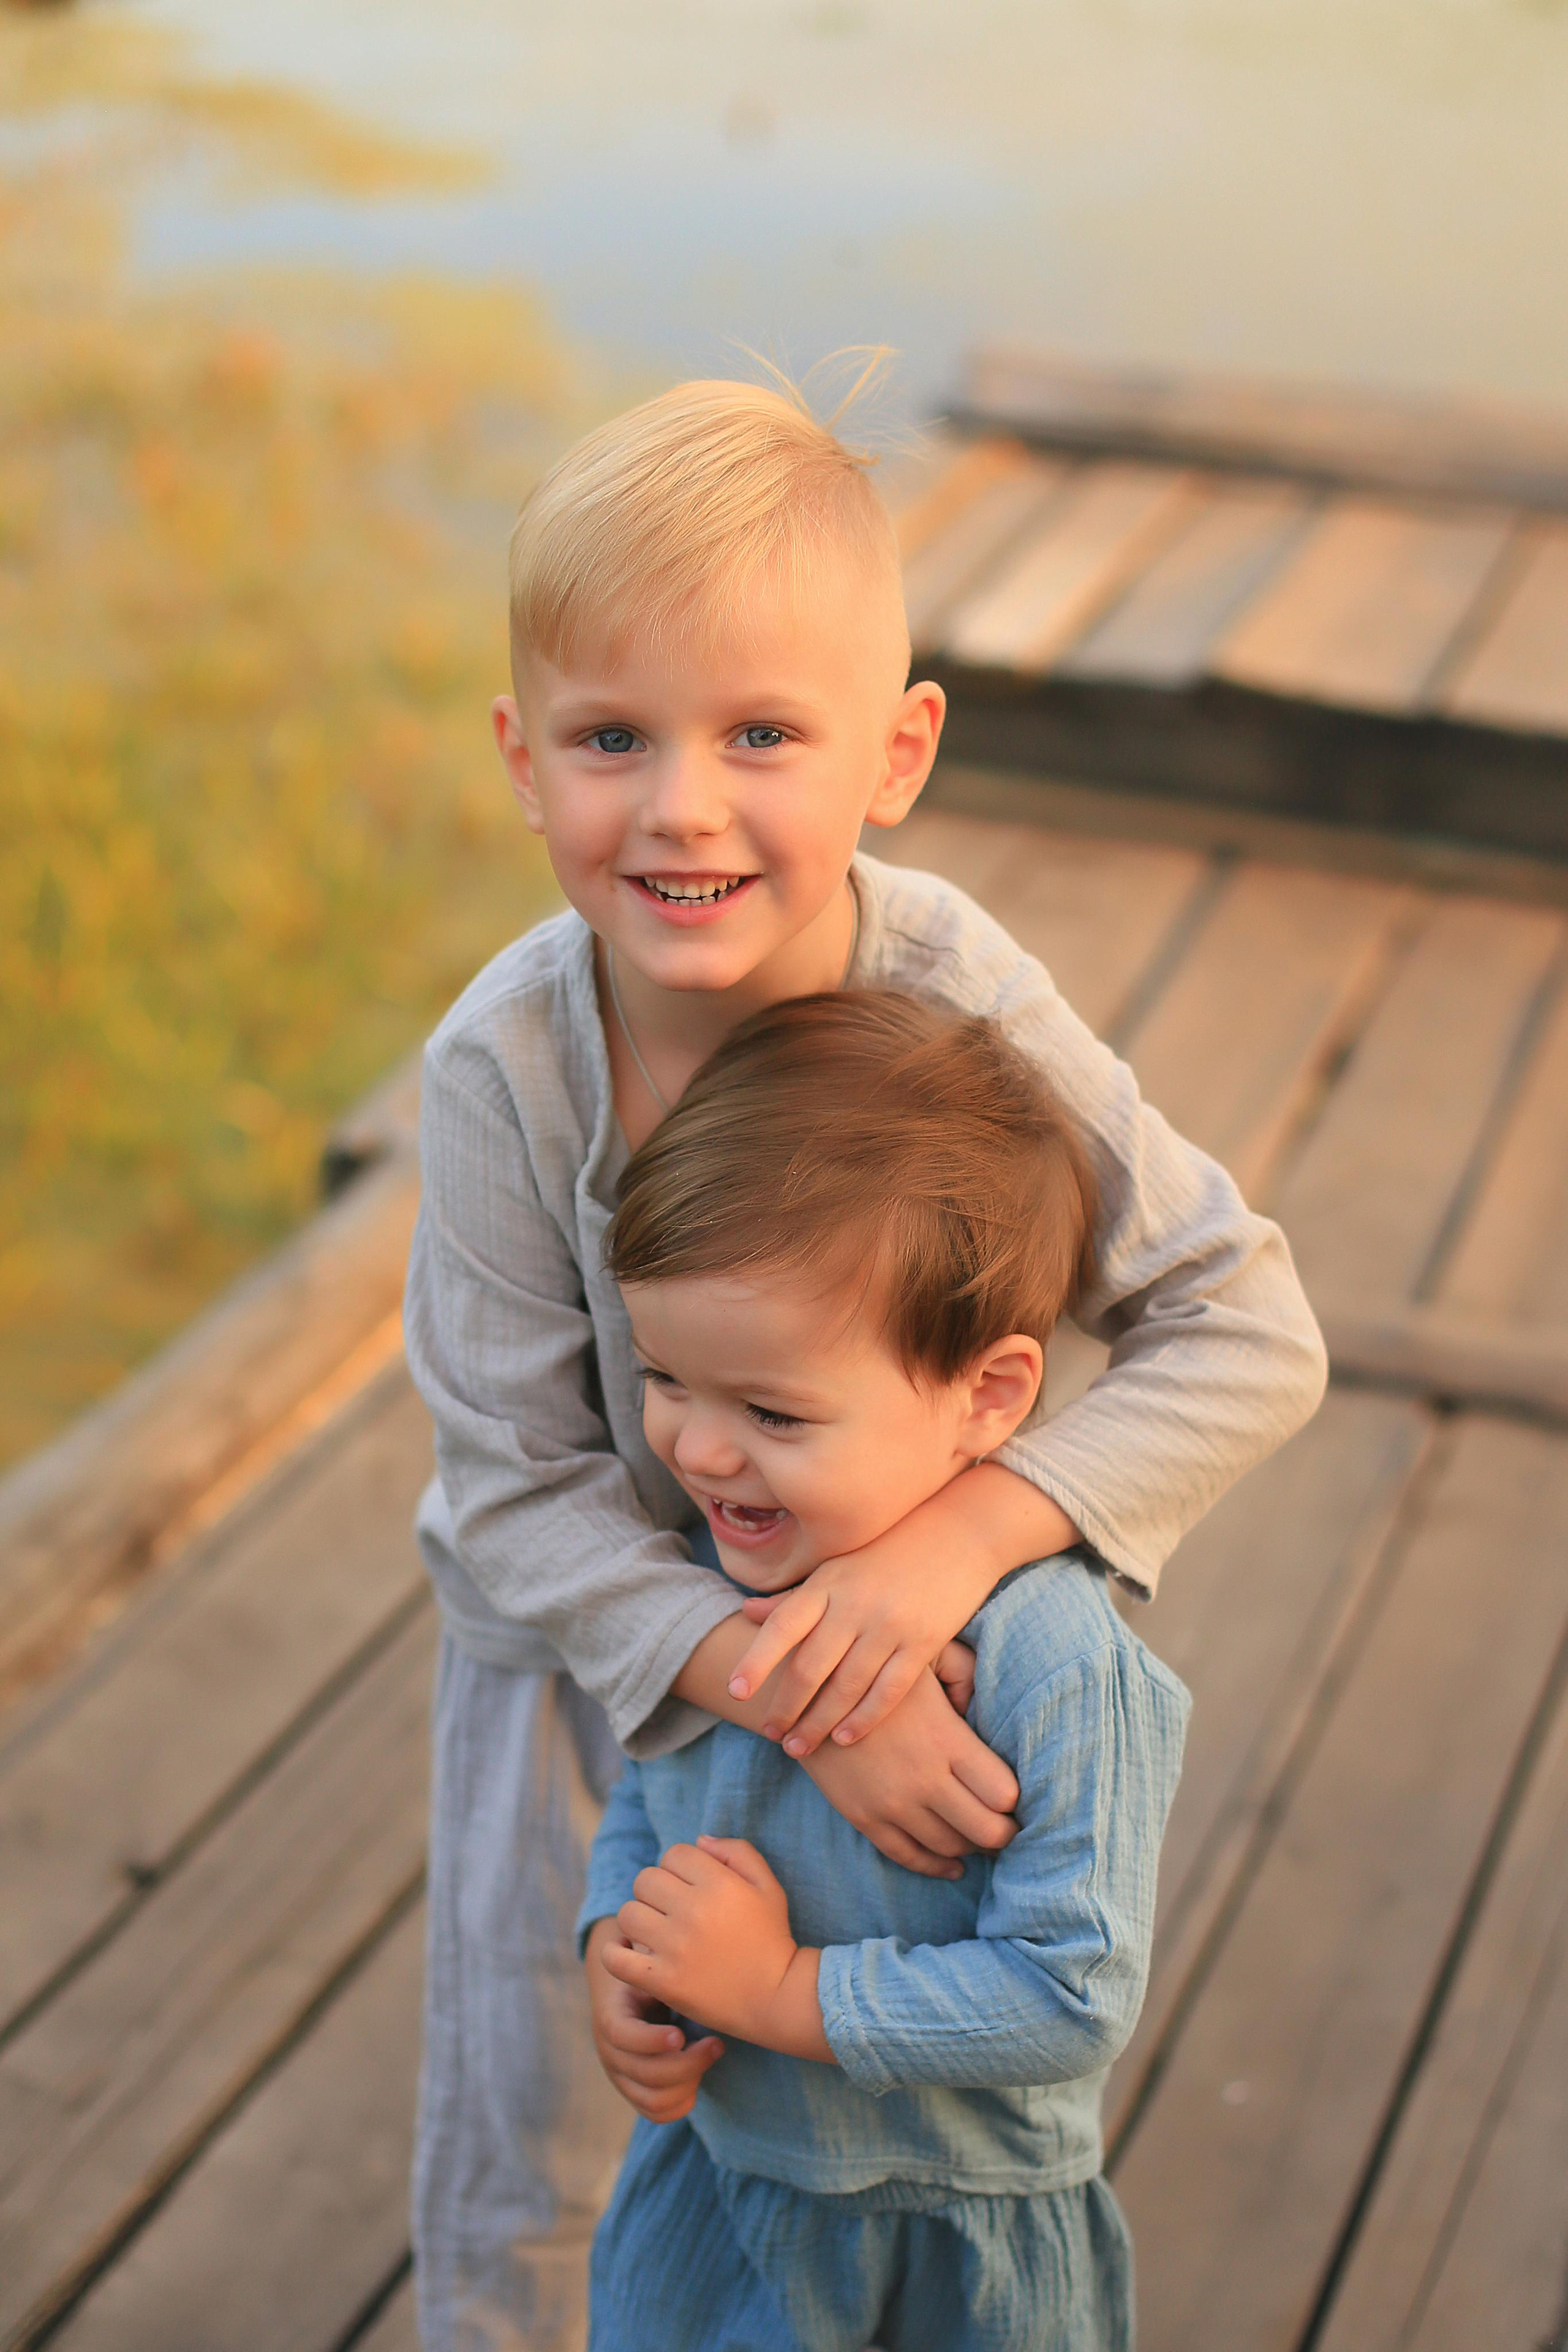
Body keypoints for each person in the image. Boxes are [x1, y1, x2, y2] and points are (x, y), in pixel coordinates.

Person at [402, 374, 1325, 2350]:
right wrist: (804, 1697)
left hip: (906, 1626)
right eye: (612, 737)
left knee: (850, 2094)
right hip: (588, 1657)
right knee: (540, 2126)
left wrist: (939, 1560)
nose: (682, 806)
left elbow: (1246, 1325)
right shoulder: (508, 1068)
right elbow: (513, 1493)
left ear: (897, 752)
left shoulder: (952, 993)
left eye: (760, 734)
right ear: (522, 759)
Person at [582, 989, 1189, 2351]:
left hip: (952, 2232)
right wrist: (620, 1940)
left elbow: (1071, 1989)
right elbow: (654, 1787)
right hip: (720, 2190)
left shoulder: (1048, 1655)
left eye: (771, 1411)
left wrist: (782, 1995)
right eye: (664, 1377)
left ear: (986, 1395)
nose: (699, 1451)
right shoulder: (726, 1565)